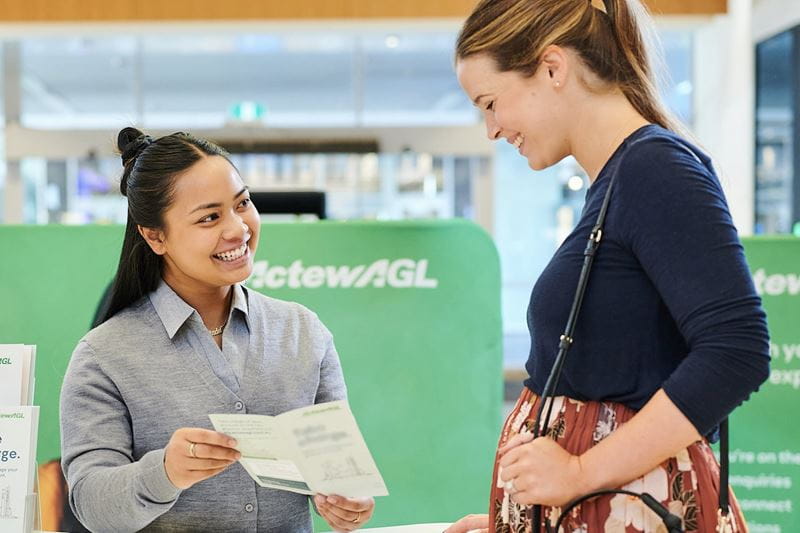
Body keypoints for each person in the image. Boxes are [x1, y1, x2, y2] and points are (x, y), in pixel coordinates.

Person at [449, 1, 770, 532]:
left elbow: (737, 350)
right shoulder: (621, 179)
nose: (492, 129)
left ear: (553, 68)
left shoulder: (654, 169)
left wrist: (578, 473)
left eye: (490, 103)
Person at [60, 127, 375, 532]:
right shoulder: (103, 356)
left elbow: (338, 468)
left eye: (242, 203)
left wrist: (345, 497)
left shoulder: (303, 332)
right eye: (210, 217)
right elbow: (91, 504)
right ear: (155, 236)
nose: (238, 229)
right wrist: (166, 472)